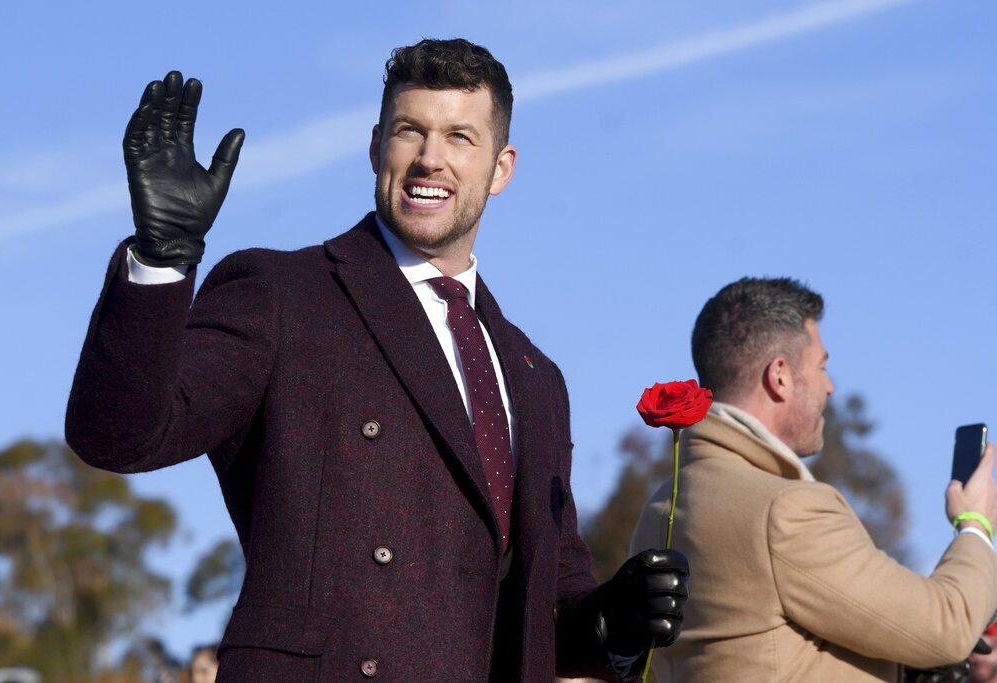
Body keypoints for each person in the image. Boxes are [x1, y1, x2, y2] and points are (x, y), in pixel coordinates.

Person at [66, 39, 689, 681]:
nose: (430, 159)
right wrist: (163, 256)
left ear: (501, 168)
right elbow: (119, 435)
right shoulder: (283, 295)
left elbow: (545, 617)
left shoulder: (537, 377)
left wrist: (613, 621)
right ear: (374, 146)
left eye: (459, 138)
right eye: (409, 131)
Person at [630, 277, 997, 682]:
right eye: (821, 366)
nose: (829, 385)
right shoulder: (784, 510)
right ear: (780, 376)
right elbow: (947, 625)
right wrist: (974, 525)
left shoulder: (661, 507)